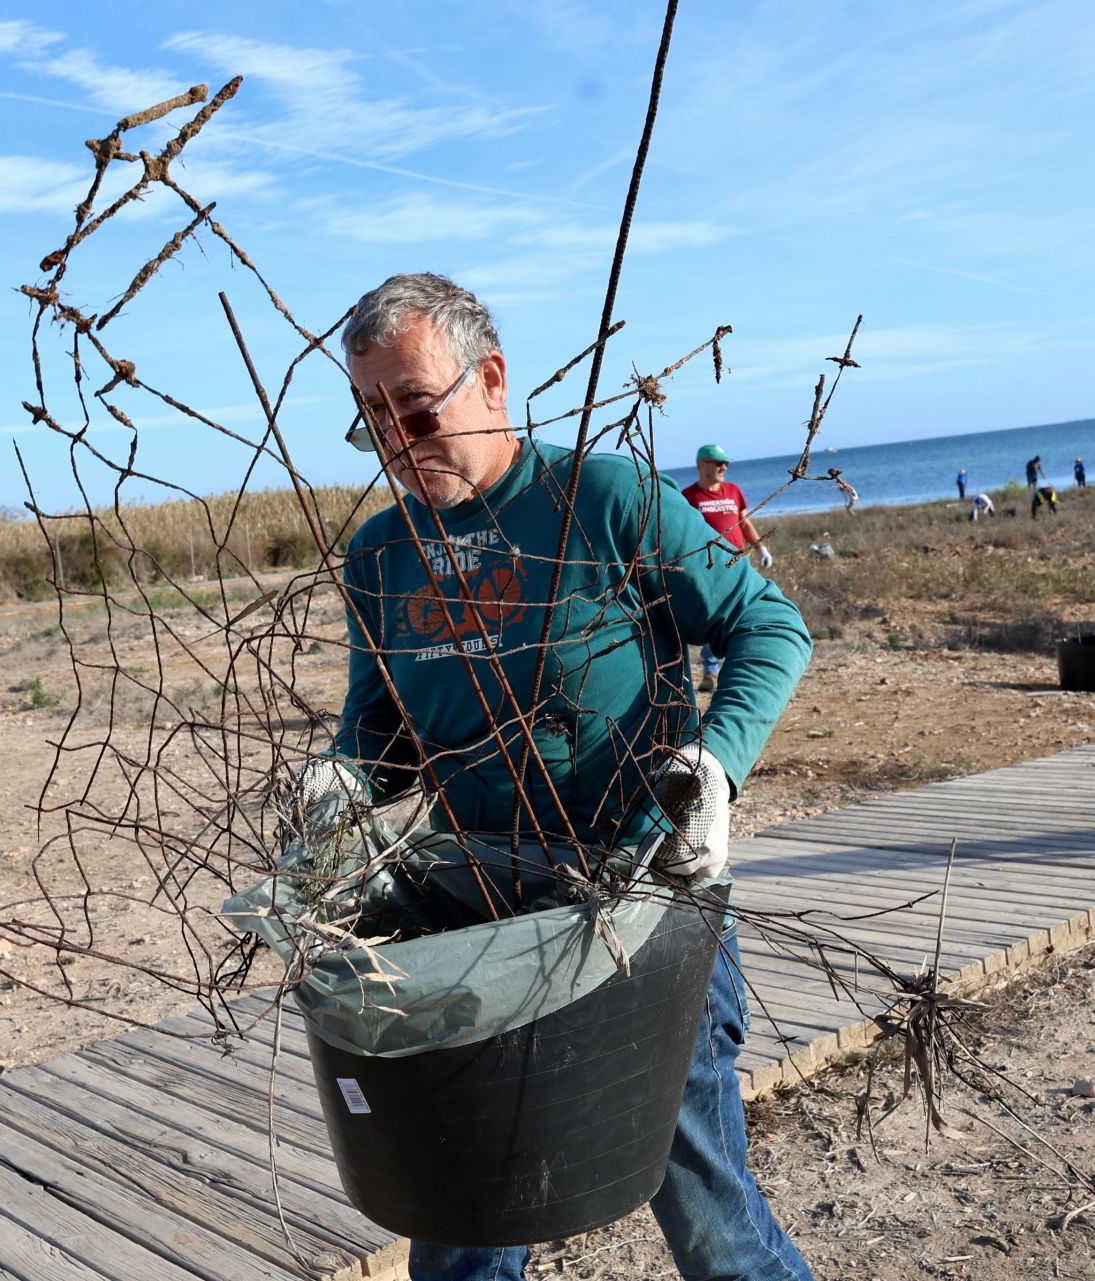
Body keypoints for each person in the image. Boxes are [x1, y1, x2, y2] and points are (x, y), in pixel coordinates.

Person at [333, 272, 815, 1281]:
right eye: (372, 417)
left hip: (641, 904)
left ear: (492, 379)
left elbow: (768, 626)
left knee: (703, 1202)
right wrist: (341, 792)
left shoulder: (599, 503)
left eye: (416, 409)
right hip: (480, 923)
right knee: (465, 1215)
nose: (397, 440)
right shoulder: (382, 556)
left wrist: (712, 768)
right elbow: (378, 729)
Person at [682, 444, 774, 692]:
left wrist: (760, 548)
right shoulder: (688, 496)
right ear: (703, 464)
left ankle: (732, 670)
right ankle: (710, 672)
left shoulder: (733, 491)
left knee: (740, 615)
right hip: (708, 567)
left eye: (726, 463)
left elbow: (744, 522)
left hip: (739, 564)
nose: (724, 467)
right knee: (715, 618)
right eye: (718, 462)